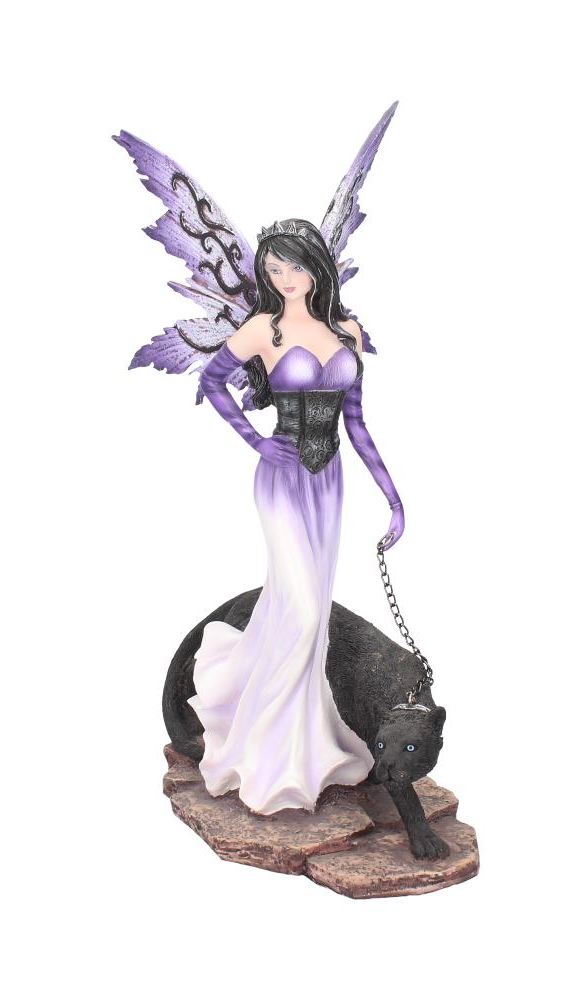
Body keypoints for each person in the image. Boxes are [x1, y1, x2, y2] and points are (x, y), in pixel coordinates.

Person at [186, 218, 405, 815]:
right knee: (305, 613)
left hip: (329, 484)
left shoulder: (348, 331)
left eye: (295, 266)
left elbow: (356, 422)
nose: (284, 278)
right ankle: (261, 756)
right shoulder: (263, 328)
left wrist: (392, 496)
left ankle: (304, 746)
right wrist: (257, 441)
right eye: (274, 268)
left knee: (307, 616)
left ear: (317, 267)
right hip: (281, 480)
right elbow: (213, 382)